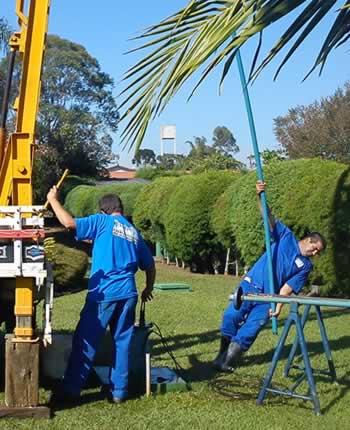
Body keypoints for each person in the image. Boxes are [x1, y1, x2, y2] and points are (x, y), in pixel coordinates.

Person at [47, 187, 156, 403]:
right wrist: (148, 289)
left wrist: (53, 201)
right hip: (128, 293)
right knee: (122, 342)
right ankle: (119, 392)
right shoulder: (133, 232)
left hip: (105, 293)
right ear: (120, 210)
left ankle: (70, 390)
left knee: (86, 340)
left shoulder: (102, 221)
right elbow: (150, 266)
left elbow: (69, 223)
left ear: (103, 211)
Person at [213, 180, 326, 372]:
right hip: (250, 285)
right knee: (231, 316)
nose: (315, 254)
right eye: (315, 249)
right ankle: (220, 355)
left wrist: (278, 304)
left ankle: (227, 361)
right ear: (308, 240)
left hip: (268, 298)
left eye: (318, 252)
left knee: (251, 329)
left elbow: (287, 288)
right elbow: (268, 217)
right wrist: (259, 195)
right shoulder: (286, 236)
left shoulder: (305, 266)